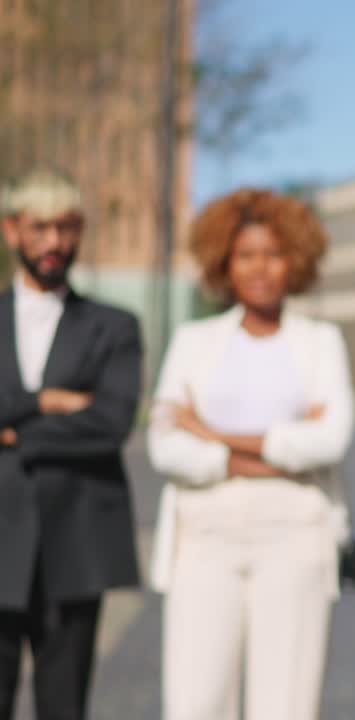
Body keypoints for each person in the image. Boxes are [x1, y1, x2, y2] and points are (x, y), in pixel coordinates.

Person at [146, 188, 355, 720]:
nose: (259, 268)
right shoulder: (193, 341)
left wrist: (209, 431)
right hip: (204, 532)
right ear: (224, 262)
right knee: (195, 702)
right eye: (245, 255)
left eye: (273, 254)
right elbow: (164, 444)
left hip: (295, 531)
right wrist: (271, 450)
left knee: (285, 705)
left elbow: (332, 440)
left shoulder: (320, 341)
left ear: (295, 261)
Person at [0, 169, 142, 720]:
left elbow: (110, 423)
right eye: (40, 227)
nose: (54, 242)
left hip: (75, 542)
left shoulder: (115, 326)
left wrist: (11, 427)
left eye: (66, 227)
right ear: (12, 231)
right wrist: (47, 402)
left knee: (64, 707)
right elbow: (87, 420)